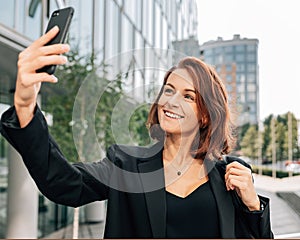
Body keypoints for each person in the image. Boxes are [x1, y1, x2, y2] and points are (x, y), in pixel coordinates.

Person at [0, 26, 273, 239]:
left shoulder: (231, 175)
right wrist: (25, 106)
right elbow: (61, 184)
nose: (172, 102)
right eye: (169, 90)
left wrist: (252, 205)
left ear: (205, 114)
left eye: (188, 96)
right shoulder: (126, 164)